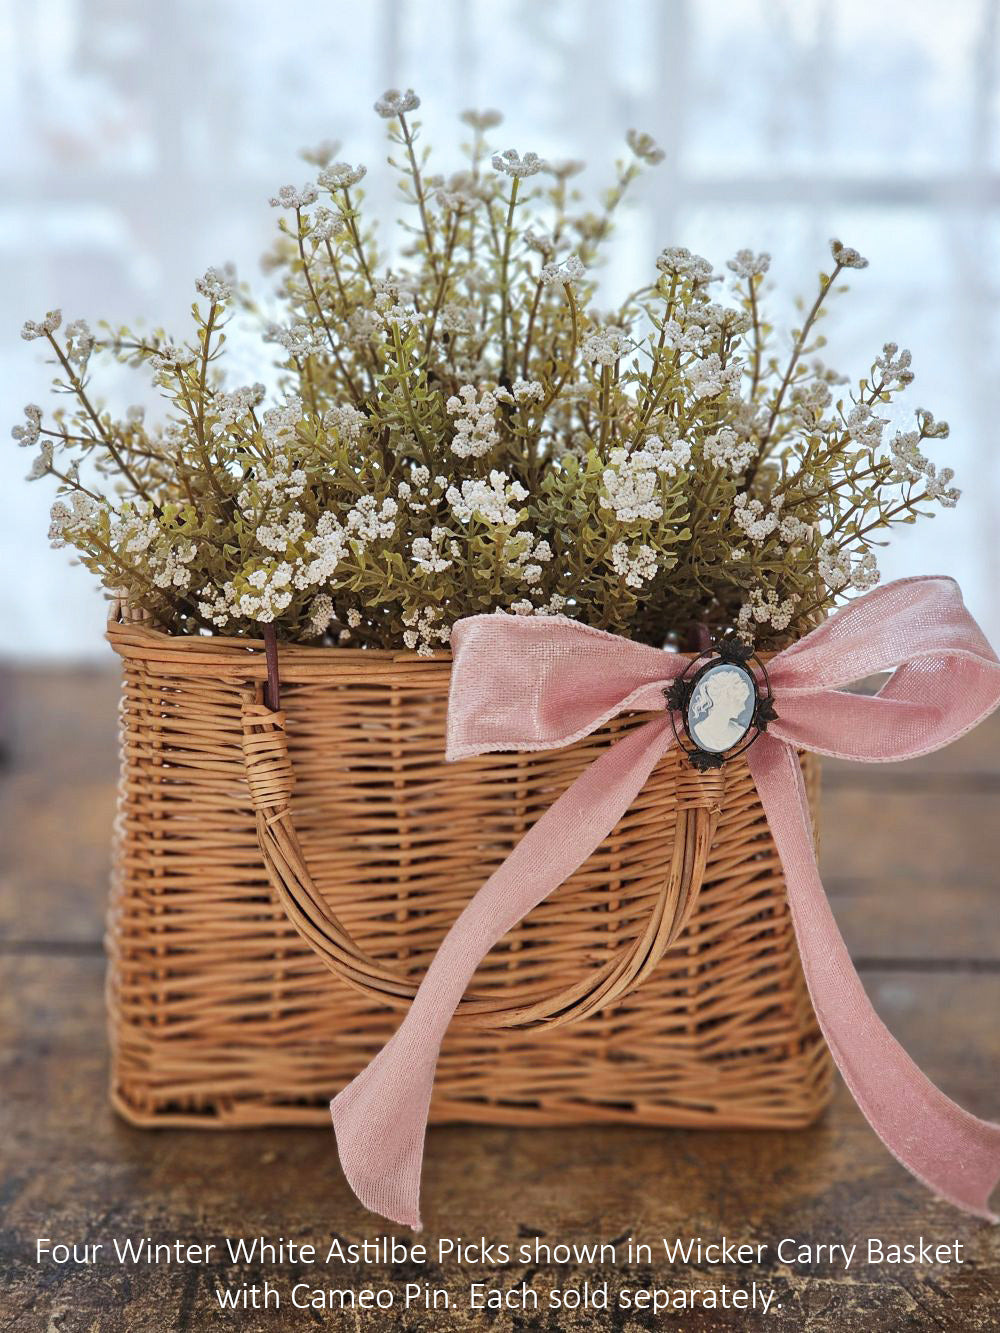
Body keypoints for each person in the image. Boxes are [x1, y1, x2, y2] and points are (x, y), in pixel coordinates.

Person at [688, 665, 754, 752]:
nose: (743, 707)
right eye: (739, 702)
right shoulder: (700, 730)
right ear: (724, 701)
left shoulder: (738, 730)